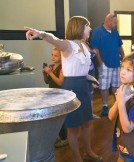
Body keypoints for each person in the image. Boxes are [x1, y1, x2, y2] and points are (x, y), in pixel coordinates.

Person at [25, 16, 102, 162]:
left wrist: (91, 78)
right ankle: (77, 158)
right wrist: (40, 33)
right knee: (73, 127)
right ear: (79, 27)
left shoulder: (85, 46)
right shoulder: (68, 45)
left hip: (83, 88)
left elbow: (81, 70)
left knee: (87, 123)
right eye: (88, 26)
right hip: (71, 89)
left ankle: (89, 152)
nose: (90, 29)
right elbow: (54, 39)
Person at [91, 13, 125, 116]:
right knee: (104, 86)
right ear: (108, 21)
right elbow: (95, 49)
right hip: (105, 64)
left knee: (116, 85)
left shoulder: (115, 32)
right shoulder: (98, 32)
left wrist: (123, 56)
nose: (116, 24)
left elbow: (119, 45)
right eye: (115, 22)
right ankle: (105, 105)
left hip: (116, 63)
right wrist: (101, 63)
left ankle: (117, 105)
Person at [42, 48, 68, 148]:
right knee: (54, 116)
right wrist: (45, 73)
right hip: (52, 95)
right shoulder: (51, 66)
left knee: (60, 116)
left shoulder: (63, 68)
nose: (52, 57)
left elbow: (60, 82)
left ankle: (64, 137)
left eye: (55, 55)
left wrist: (50, 73)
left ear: (62, 57)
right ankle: (56, 135)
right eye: (52, 55)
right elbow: (47, 82)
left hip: (60, 95)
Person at [82, 38, 101, 120]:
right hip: (84, 72)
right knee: (84, 94)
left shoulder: (87, 42)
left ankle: (90, 114)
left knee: (90, 94)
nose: (89, 29)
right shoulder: (77, 44)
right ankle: (84, 115)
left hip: (91, 71)